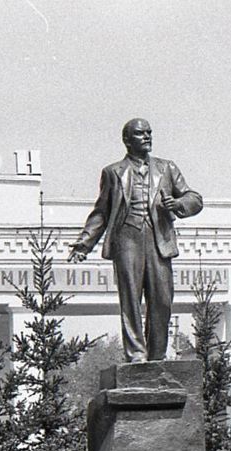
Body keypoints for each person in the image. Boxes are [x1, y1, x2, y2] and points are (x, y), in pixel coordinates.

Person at [68, 118, 203, 363]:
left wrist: (178, 204)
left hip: (158, 240)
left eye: (149, 132)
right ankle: (137, 355)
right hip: (126, 239)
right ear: (127, 140)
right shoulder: (113, 172)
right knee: (130, 299)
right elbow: (101, 212)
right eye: (141, 133)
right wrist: (83, 245)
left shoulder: (166, 168)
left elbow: (194, 197)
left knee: (162, 300)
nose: (147, 137)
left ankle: (157, 356)